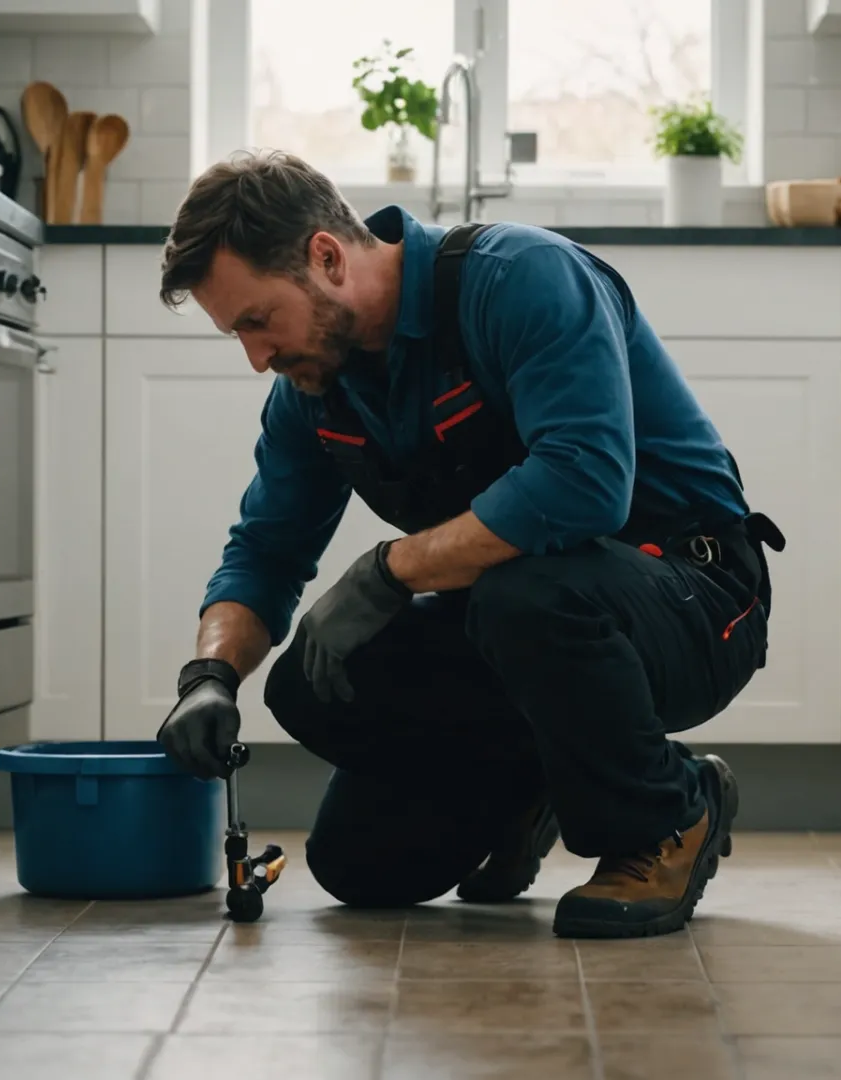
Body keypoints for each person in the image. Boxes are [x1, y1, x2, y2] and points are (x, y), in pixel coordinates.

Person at [152, 149, 783, 940]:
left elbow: (583, 481)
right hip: (520, 622)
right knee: (337, 783)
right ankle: (534, 777)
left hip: (694, 596)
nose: (256, 357)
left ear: (325, 256)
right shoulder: (315, 389)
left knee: (529, 595)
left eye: (256, 319)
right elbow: (267, 549)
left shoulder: (521, 279)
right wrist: (210, 676)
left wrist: (387, 570)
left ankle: (666, 814)